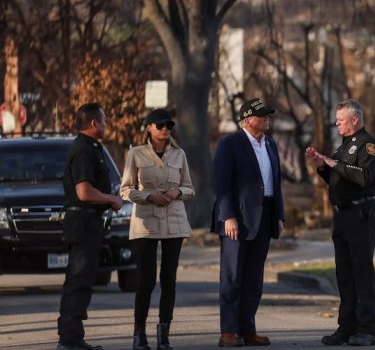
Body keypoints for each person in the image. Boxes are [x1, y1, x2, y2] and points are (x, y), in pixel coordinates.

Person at [305, 99, 375, 347]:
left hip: (361, 214)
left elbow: (362, 177)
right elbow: (338, 179)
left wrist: (332, 163)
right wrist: (321, 167)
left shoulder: (368, 145)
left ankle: (367, 329)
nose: (337, 123)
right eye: (337, 119)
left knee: (361, 272)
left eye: (341, 119)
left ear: (355, 120)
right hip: (342, 216)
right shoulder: (343, 147)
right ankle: (346, 327)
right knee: (344, 274)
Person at [212, 98, 285, 347]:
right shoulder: (229, 144)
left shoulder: (271, 145)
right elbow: (221, 184)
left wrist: (278, 216)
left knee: (254, 278)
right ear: (246, 120)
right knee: (232, 277)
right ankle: (229, 332)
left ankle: (248, 329)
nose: (267, 118)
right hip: (237, 218)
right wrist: (227, 216)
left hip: (264, 216)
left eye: (267, 115)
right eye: (261, 115)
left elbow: (276, 182)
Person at [120, 109, 194, 350]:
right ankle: (138, 335)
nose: (165, 129)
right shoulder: (136, 154)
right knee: (146, 280)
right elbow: (125, 190)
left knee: (169, 279)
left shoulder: (179, 154)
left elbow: (190, 188)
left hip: (174, 221)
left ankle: (164, 335)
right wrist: (149, 196)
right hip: (146, 222)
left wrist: (177, 192)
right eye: (160, 125)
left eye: (169, 125)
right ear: (149, 128)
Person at [57, 103, 124, 350]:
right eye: (104, 120)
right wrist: (111, 199)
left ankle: (72, 337)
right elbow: (84, 192)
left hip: (88, 223)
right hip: (83, 222)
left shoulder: (91, 148)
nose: (106, 125)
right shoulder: (83, 150)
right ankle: (70, 340)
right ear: (94, 123)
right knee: (79, 281)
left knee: (81, 281)